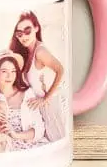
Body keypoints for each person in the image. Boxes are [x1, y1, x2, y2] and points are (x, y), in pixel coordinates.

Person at [9, 11, 66, 142]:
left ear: (36, 28)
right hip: (40, 109)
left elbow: (60, 70)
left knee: (57, 139)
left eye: (27, 30)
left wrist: (46, 98)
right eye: (19, 33)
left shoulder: (40, 52)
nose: (24, 36)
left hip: (50, 105)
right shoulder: (26, 53)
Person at [0, 51, 46, 150]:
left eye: (13, 71)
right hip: (2, 145)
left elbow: (39, 129)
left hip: (26, 145)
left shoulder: (27, 94)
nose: (9, 76)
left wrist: (15, 135)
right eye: (4, 71)